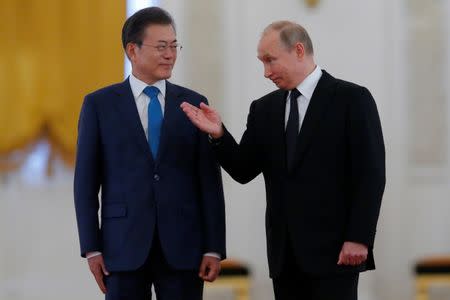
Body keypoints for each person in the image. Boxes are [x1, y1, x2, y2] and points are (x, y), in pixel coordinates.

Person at [181, 20, 385, 300]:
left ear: (299, 50)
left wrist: (359, 236)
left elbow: (371, 174)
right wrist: (218, 134)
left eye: (270, 61)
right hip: (284, 256)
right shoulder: (264, 109)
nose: (266, 72)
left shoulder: (352, 99)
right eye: (261, 62)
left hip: (337, 251)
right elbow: (243, 169)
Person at [74, 7, 226, 300]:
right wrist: (92, 247)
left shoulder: (194, 104)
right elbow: (85, 183)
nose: (170, 54)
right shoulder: (99, 105)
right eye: (161, 47)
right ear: (133, 50)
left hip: (184, 248)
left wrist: (213, 246)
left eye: (174, 46)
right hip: (121, 247)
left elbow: (208, 181)